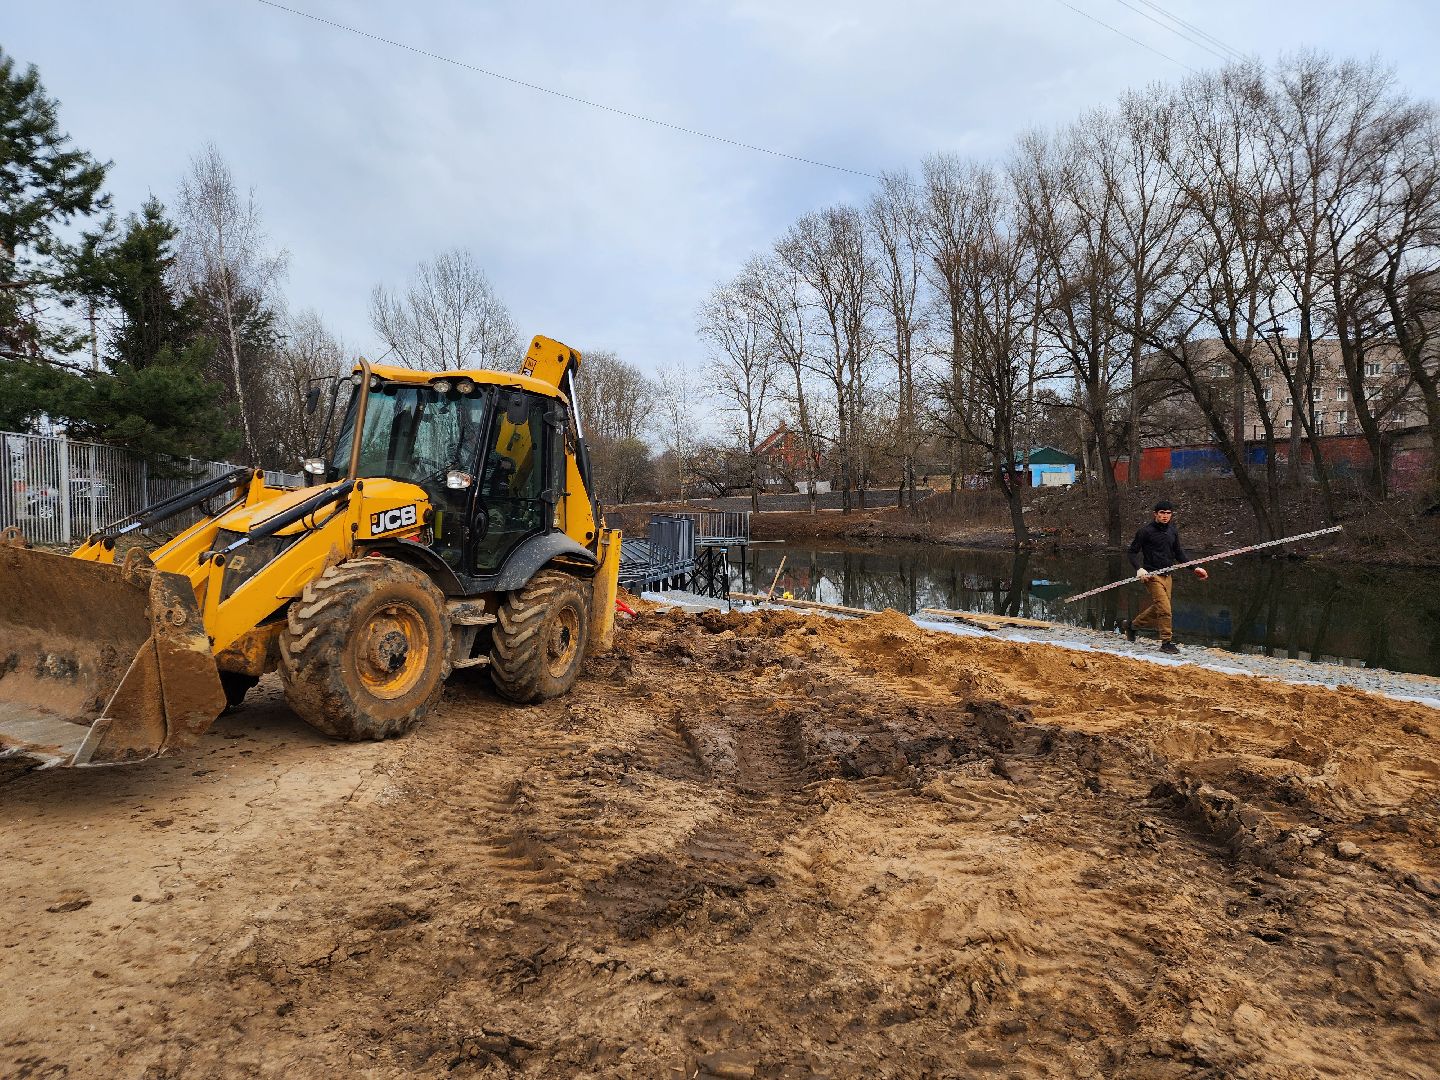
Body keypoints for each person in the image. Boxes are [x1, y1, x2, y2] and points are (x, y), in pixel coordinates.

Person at [1120, 500, 1208, 654]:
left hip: (1168, 576)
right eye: (1162, 513)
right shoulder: (1145, 532)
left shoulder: (1172, 531)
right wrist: (1139, 569)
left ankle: (1132, 626)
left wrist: (1195, 568)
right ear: (1155, 514)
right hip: (1152, 576)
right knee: (1166, 610)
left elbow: (1179, 554)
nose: (1165, 516)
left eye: (1168, 513)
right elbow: (1132, 552)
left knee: (1159, 608)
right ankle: (1166, 642)